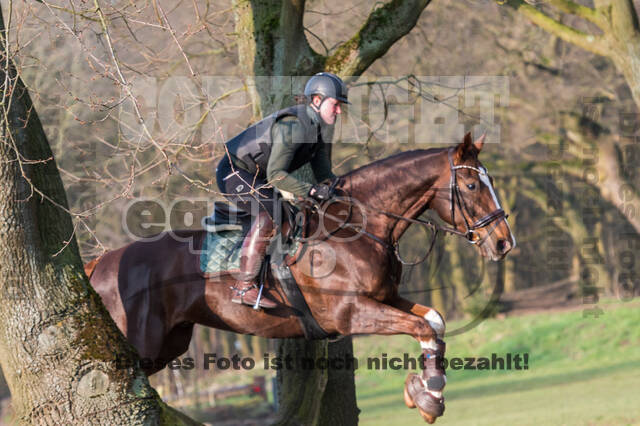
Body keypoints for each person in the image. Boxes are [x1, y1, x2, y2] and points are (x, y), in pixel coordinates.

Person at [215, 72, 349, 308]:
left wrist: (346, 195)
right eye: (336, 105)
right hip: (233, 171)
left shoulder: (317, 130)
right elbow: (276, 175)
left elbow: (326, 177)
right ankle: (244, 286)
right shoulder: (295, 126)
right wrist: (312, 192)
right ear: (316, 100)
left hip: (257, 176)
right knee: (273, 212)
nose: (339, 111)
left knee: (293, 215)